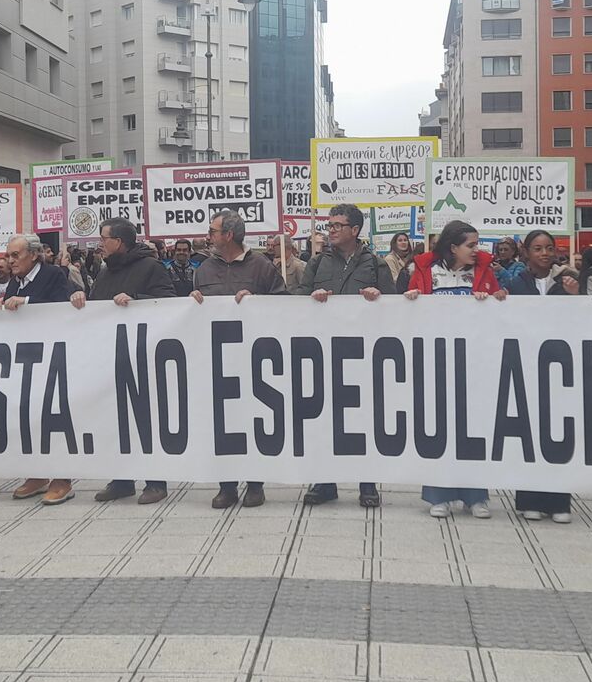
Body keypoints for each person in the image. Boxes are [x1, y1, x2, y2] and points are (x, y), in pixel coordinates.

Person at [293, 203, 395, 508]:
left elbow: (393, 306)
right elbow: (297, 298)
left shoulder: (374, 265)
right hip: (324, 350)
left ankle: (367, 483)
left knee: (363, 417)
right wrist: (311, 298)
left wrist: (378, 299)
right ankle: (325, 482)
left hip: (362, 352)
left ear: (354, 230)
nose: (331, 230)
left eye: (337, 225)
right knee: (324, 416)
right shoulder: (316, 262)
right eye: (329, 224)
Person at [402, 220, 506, 518]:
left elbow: (499, 310)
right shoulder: (425, 272)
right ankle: (439, 495)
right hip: (437, 360)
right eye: (471, 245)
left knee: (474, 427)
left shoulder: (484, 271)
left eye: (477, 245)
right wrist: (411, 301)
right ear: (453, 247)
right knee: (439, 427)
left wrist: (498, 299)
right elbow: (410, 311)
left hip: (474, 361)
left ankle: (476, 496)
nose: (477, 250)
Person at [193, 210, 290, 509]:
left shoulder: (261, 266)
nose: (208, 235)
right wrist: (193, 299)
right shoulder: (204, 268)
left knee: (252, 420)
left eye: (213, 230)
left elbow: (284, 304)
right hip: (217, 359)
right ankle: (227, 486)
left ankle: (255, 484)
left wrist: (257, 301)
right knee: (223, 423)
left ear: (229, 236)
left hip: (253, 359)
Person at [81, 218, 177, 505]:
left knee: (145, 419)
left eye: (103, 238)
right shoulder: (105, 271)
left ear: (119, 242)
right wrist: (80, 300)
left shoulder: (150, 267)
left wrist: (136, 300)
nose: (99, 243)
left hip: (142, 356)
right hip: (110, 357)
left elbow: (168, 301)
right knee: (115, 420)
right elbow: (97, 304)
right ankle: (121, 480)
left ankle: (156, 481)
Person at [0, 234, 87, 505]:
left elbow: (61, 307)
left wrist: (24, 303)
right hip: (27, 359)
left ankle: (62, 479)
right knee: (28, 416)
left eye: (15, 255)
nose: (10, 261)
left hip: (54, 359)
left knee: (54, 417)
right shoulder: (16, 281)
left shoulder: (54, 274)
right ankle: (37, 474)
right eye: (8, 255)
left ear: (34, 255)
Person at [499, 230, 578, 522]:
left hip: (560, 365)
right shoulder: (516, 283)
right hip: (527, 364)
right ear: (527, 253)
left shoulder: (568, 281)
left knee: (559, 432)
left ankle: (559, 502)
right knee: (528, 433)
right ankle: (529, 499)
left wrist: (575, 297)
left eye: (549, 248)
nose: (544, 253)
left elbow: (584, 319)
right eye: (537, 248)